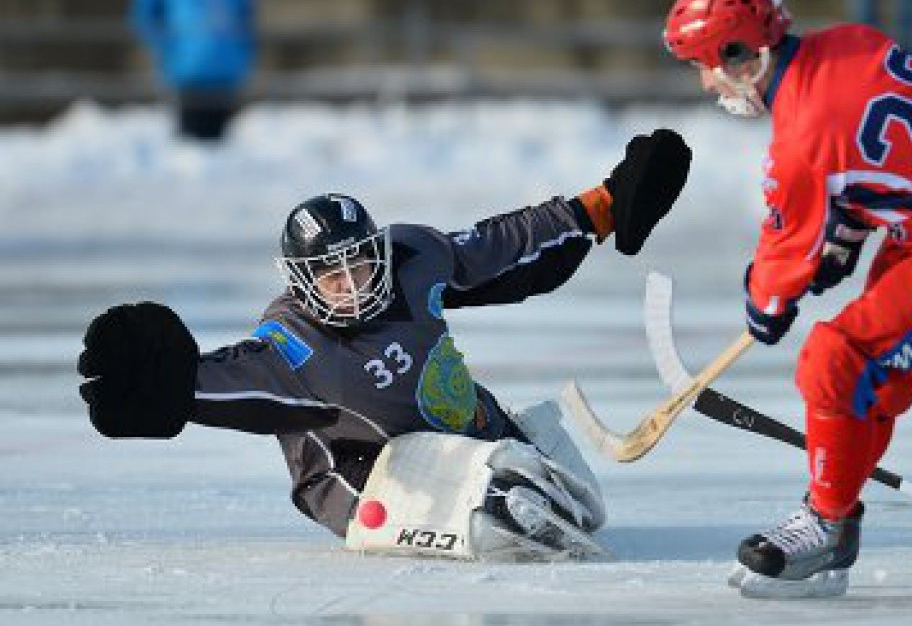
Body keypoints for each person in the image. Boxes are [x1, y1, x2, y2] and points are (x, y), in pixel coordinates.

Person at [76, 130, 691, 561]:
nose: (350, 286)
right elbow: (221, 383)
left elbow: (505, 247)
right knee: (506, 514)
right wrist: (159, 381)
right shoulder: (294, 345)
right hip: (366, 476)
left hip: (465, 430)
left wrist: (605, 205)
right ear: (302, 283)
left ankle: (498, 465)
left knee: (583, 509)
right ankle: (483, 492)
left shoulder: (413, 258)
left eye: (359, 266)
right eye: (331, 276)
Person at [662, 0, 912, 598]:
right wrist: (853, 222)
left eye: (708, 63)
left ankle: (829, 523)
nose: (708, 82)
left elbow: (782, 261)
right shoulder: (850, 41)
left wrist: (766, 303)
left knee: (833, 359)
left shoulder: (802, 136)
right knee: (870, 373)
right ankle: (833, 494)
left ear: (743, 54)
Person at [128, 0, 257, 142]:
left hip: (227, 77)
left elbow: (245, 14)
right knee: (191, 155)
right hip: (186, 77)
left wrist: (244, 55)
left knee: (224, 155)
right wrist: (170, 50)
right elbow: (144, 16)